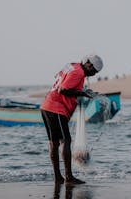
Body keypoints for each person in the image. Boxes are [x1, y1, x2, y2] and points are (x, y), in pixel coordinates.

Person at [40, 54, 103, 185]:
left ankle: (58, 177)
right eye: (93, 71)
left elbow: (60, 79)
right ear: (88, 64)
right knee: (65, 140)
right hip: (56, 108)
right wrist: (83, 93)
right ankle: (68, 177)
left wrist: (81, 90)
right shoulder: (79, 73)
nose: (93, 74)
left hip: (47, 106)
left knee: (54, 143)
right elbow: (63, 90)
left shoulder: (73, 66)